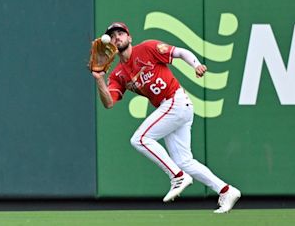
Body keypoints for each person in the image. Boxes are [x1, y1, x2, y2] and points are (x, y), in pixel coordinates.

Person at [92, 22, 241, 213]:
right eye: (112, 36)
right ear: (109, 44)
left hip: (175, 100)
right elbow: (108, 102)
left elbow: (179, 52)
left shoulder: (147, 48)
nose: (116, 38)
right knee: (184, 161)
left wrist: (195, 65)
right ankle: (226, 190)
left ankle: (177, 177)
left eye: (121, 33)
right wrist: (99, 79)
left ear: (129, 38)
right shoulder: (118, 74)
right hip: (173, 108)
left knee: (140, 139)